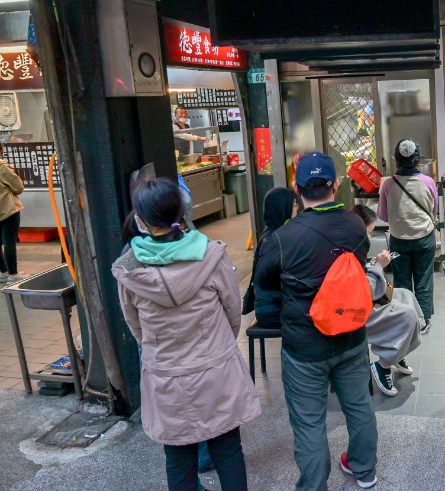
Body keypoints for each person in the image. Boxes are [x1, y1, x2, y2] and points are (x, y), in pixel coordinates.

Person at [112, 178, 260, 491]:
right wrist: (218, 346)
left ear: (140, 220)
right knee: (228, 449)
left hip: (167, 376)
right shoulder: (211, 255)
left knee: (178, 457)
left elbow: (134, 325)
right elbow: (233, 310)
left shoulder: (129, 270)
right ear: (182, 211)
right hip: (216, 370)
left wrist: (158, 352)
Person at [254, 152, 378, 490]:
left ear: (296, 188)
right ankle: (365, 470)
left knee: (309, 422)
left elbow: (264, 281)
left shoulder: (284, 237)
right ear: (336, 185)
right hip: (351, 334)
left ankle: (313, 484)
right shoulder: (355, 224)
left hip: (305, 346)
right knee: (359, 407)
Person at [352, 205, 423, 397]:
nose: (369, 235)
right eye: (369, 231)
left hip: (365, 301)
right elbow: (365, 291)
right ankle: (384, 364)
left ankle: (398, 353)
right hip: (356, 311)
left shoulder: (353, 245)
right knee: (407, 315)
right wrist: (378, 267)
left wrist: (373, 266)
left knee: (405, 295)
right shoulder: (349, 246)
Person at [378, 139, 438, 335]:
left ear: (397, 160)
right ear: (417, 160)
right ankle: (424, 321)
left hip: (398, 241)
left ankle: (406, 319)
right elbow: (434, 209)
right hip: (424, 238)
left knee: (402, 281)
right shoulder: (428, 182)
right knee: (423, 279)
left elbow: (383, 216)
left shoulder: (388, 185)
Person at [242, 187, 295, 329]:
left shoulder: (272, 232)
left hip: (271, 306)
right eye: (294, 205)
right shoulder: (273, 240)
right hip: (272, 311)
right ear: (282, 208)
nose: (297, 210)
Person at [0, 143, 24, 283]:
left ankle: (3, 272)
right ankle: (13, 276)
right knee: (9, 241)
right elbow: (18, 187)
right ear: (1, 150)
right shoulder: (2, 167)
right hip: (7, 209)